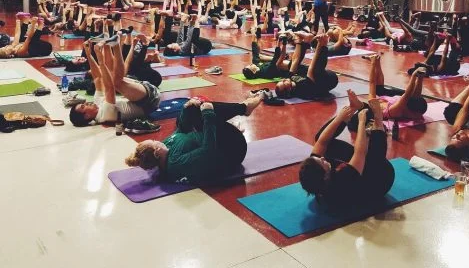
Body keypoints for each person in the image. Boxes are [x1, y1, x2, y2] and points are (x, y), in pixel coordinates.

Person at [124, 94, 264, 184]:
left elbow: (181, 130)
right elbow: (209, 149)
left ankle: (242, 108)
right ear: (157, 152)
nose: (157, 140)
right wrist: (208, 114)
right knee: (204, 110)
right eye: (154, 142)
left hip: (217, 138)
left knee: (191, 110)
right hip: (232, 149)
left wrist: (186, 108)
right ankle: (245, 108)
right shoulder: (177, 163)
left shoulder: (165, 147)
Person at [299, 95, 395, 210]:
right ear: (325, 177)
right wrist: (363, 121)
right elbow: (360, 152)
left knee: (325, 141)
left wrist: (341, 118)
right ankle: (379, 122)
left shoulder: (317, 173)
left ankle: (355, 107)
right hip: (381, 181)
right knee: (372, 159)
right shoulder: (341, 181)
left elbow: (321, 142)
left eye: (319, 159)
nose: (323, 158)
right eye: (322, 162)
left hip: (353, 174)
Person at [68, 37, 161, 131]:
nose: (86, 102)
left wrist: (89, 54)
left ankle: (108, 43)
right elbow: (110, 88)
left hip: (141, 93)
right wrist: (100, 59)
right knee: (116, 82)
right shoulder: (104, 116)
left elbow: (97, 78)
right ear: (87, 116)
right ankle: (115, 46)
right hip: (150, 101)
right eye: (84, 106)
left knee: (112, 76)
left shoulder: (97, 103)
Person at [345, 54, 427, 130]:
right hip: (399, 101)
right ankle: (377, 61)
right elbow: (410, 94)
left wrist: (373, 64)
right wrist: (419, 77)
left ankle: (376, 61)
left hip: (396, 102)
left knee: (379, 89)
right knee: (381, 89)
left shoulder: (377, 106)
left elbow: (372, 83)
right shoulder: (399, 109)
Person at [275, 33, 338, 99]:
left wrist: (298, 42)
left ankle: (305, 41)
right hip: (330, 80)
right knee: (315, 73)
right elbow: (311, 69)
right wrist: (321, 44)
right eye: (284, 83)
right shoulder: (302, 90)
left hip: (319, 74)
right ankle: (324, 44)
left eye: (281, 81)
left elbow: (294, 61)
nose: (284, 80)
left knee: (292, 65)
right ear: (289, 89)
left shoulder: (289, 79)